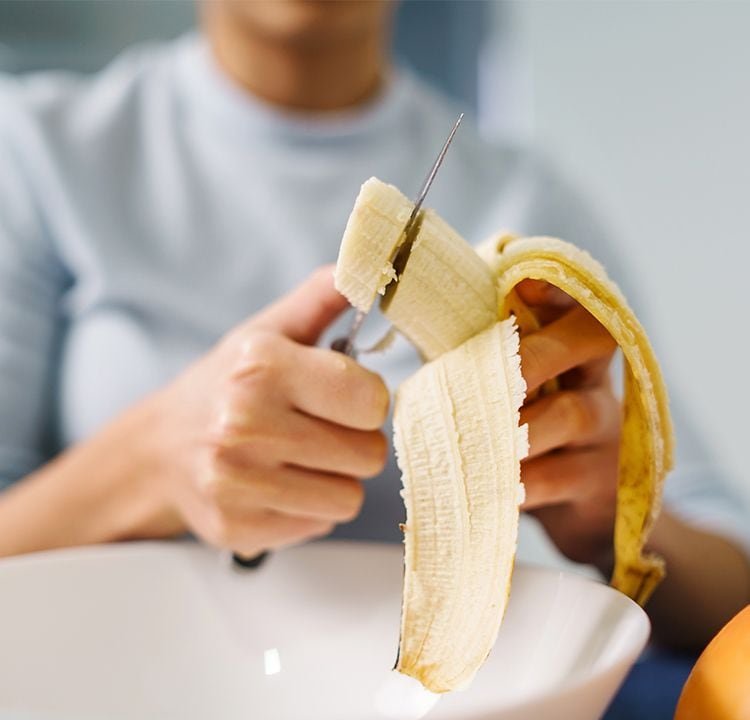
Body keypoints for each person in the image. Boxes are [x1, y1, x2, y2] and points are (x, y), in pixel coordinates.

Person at [0, 0, 747, 649]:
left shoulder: (525, 198)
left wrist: (614, 519)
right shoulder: (34, 152)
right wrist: (153, 463)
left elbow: (735, 582)